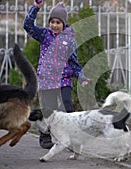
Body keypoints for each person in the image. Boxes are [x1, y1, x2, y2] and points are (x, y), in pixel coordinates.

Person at [23, 0, 90, 149]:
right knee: (48, 110)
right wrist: (36, 8)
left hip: (64, 79)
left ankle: (71, 138)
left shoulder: (69, 40)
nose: (54, 25)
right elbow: (27, 26)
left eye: (58, 22)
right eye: (52, 22)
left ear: (64, 24)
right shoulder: (44, 35)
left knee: (68, 107)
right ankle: (46, 136)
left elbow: (74, 62)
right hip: (47, 79)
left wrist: (82, 77)